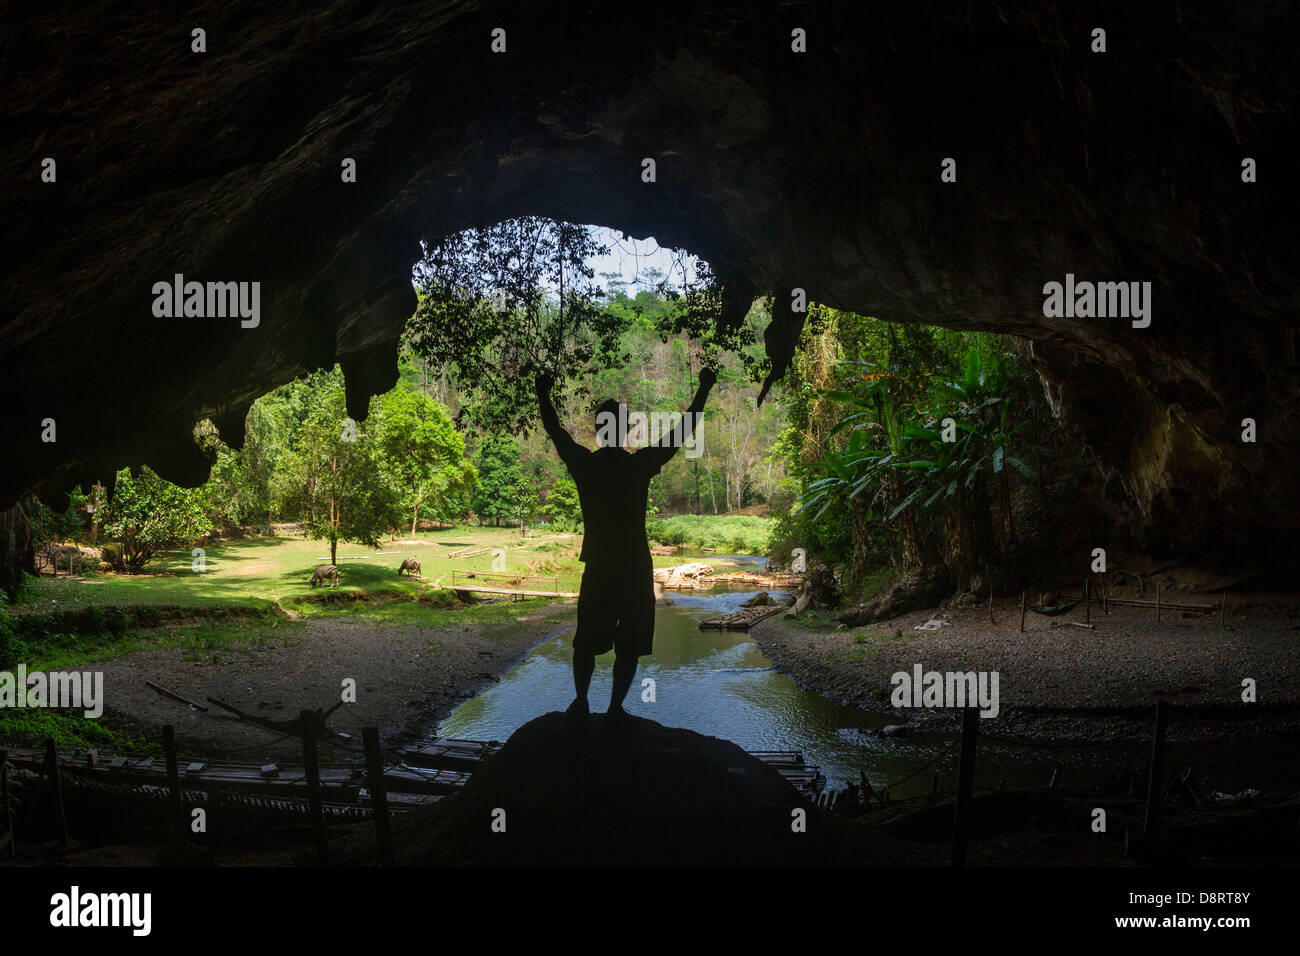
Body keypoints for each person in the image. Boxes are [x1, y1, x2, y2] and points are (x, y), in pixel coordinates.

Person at [535, 367, 716, 721]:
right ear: (624, 431)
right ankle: (615, 708)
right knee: (629, 643)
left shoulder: (585, 464)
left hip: (600, 566)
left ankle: (582, 702)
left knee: (586, 638)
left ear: (598, 431)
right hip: (634, 567)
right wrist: (704, 388)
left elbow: (555, 430)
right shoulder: (639, 465)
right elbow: (682, 430)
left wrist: (542, 392)